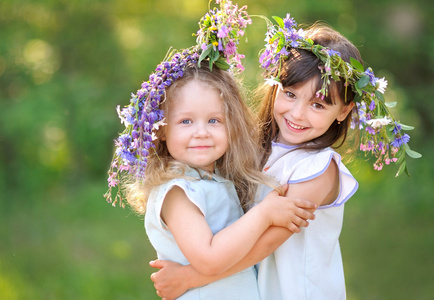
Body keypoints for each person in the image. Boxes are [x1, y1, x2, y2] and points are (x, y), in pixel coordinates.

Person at [149, 14, 418, 300]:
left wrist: (190, 277)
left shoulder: (318, 169)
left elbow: (266, 244)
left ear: (343, 111)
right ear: (274, 85)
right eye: (290, 94)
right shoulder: (255, 150)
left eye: (317, 104)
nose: (298, 113)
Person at [105, 5, 317, 299]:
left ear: (233, 126)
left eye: (214, 120)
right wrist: (265, 214)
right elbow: (209, 258)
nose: (201, 132)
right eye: (186, 121)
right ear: (162, 130)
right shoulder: (177, 192)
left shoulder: (213, 181)